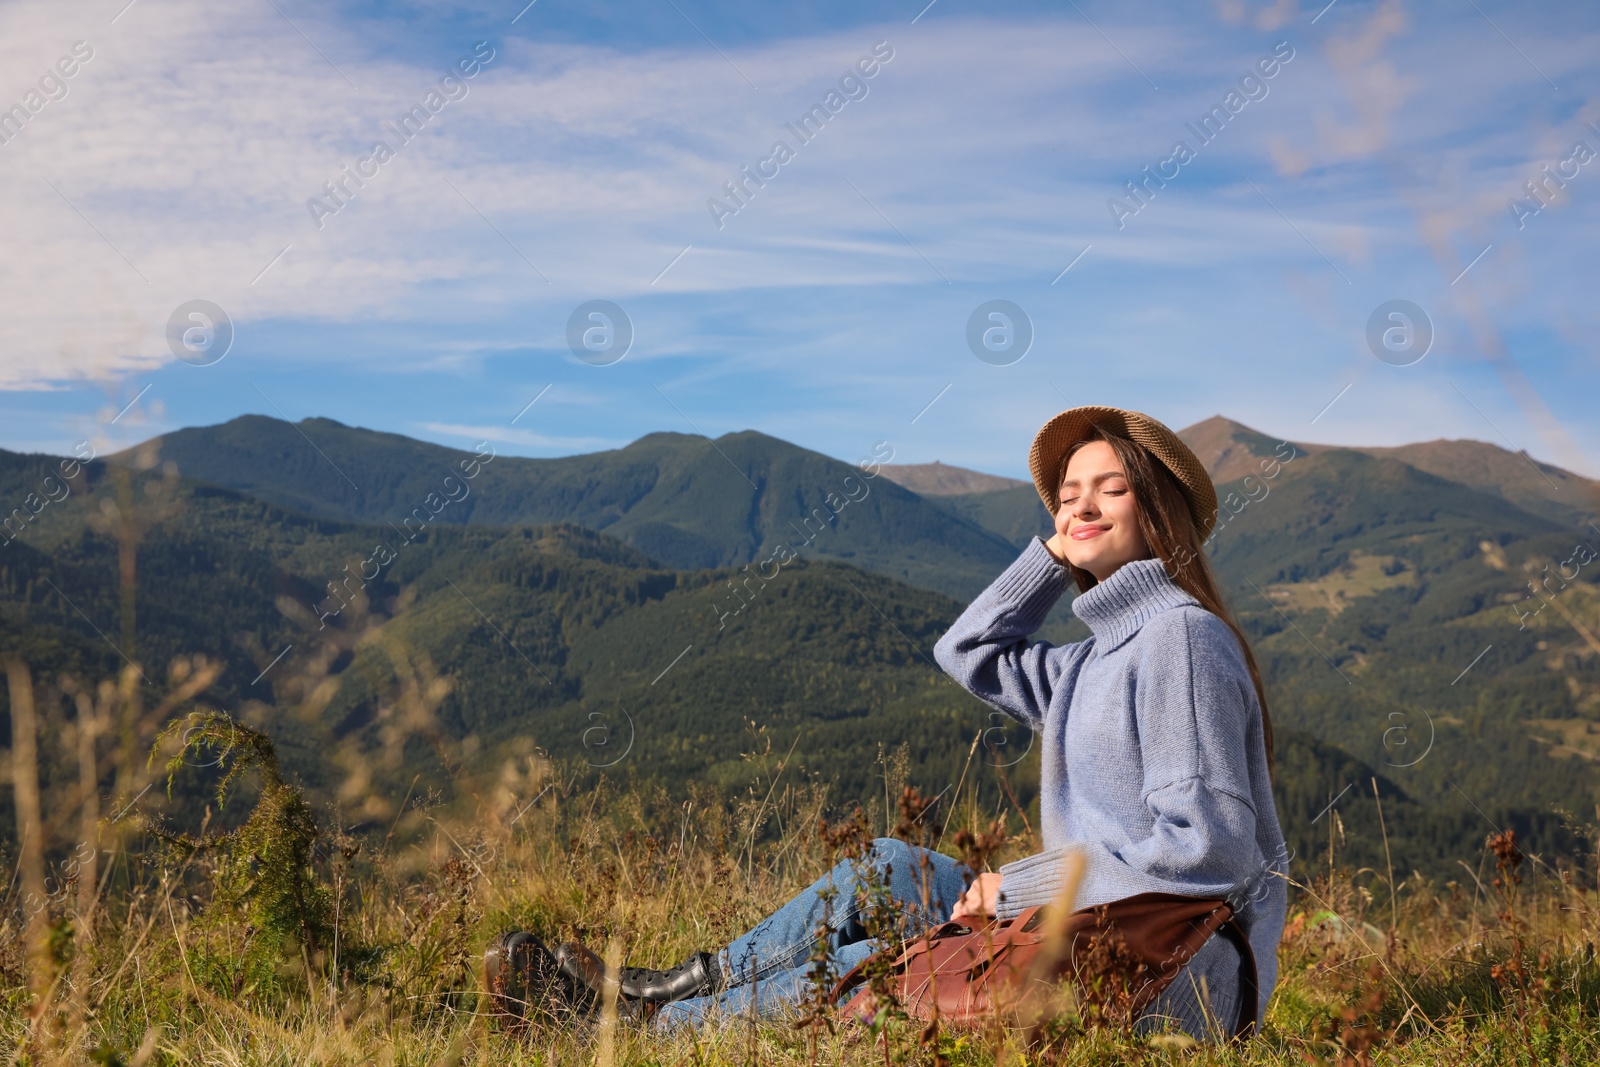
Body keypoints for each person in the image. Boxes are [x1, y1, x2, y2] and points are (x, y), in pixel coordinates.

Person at [486, 405, 1287, 1041]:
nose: (1080, 503)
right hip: (1095, 924)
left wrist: (1024, 885)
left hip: (1180, 969)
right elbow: (969, 649)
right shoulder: (1090, 659)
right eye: (1066, 492)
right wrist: (1053, 555)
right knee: (892, 865)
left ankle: (631, 1026)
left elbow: (1208, 848)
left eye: (1108, 488)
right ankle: (657, 989)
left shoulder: (1181, 640)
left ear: (1160, 508)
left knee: (884, 960)